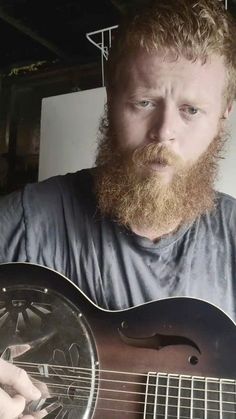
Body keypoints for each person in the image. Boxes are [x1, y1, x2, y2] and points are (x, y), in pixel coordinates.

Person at [0, 0, 235, 416]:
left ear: (224, 116)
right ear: (111, 98)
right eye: (144, 102)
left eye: (191, 110)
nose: (164, 133)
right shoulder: (27, 219)